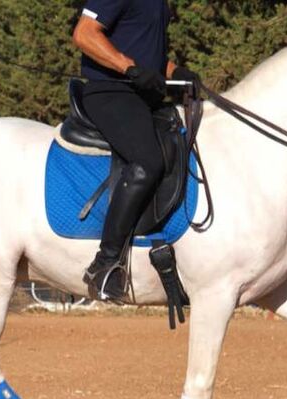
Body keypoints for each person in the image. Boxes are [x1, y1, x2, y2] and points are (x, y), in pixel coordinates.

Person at [72, 0, 198, 301]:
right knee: (147, 161)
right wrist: (128, 67)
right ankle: (105, 264)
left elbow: (147, 56)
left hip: (145, 99)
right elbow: (84, 33)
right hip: (111, 93)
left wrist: (175, 71)